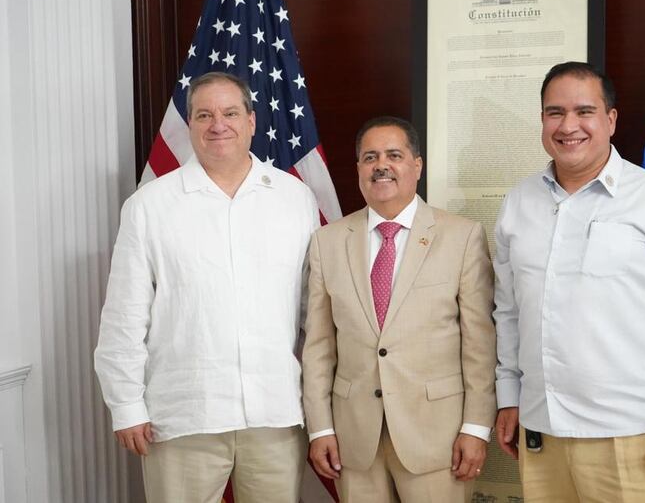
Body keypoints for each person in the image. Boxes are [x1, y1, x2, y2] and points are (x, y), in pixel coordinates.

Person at [493, 62, 645, 502]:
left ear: (610, 120)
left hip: (633, 436)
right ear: (542, 121)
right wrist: (509, 396)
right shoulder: (518, 203)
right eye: (555, 112)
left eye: (584, 111)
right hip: (541, 430)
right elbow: (508, 312)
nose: (568, 125)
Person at [94, 72, 318, 503]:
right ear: (191, 125)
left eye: (231, 113)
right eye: (205, 114)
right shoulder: (150, 206)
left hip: (275, 414)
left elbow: (314, 314)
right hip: (183, 416)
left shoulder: (295, 199)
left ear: (252, 121)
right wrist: (125, 405)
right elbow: (123, 317)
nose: (219, 124)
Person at [302, 116, 496, 502]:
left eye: (394, 154)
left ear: (417, 165)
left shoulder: (462, 236)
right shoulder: (327, 241)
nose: (381, 165)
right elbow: (319, 347)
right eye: (370, 157)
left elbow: (480, 346)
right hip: (353, 440)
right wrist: (320, 428)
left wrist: (476, 428)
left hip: (437, 439)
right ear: (358, 168)